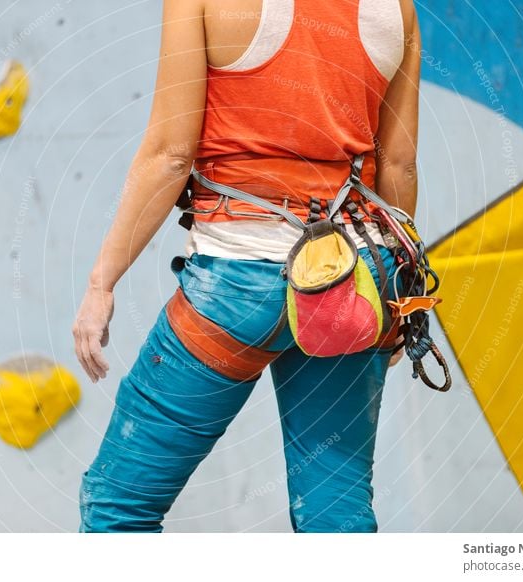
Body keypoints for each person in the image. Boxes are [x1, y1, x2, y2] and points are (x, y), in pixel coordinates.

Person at [73, 0, 421, 532]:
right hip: (352, 281)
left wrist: (102, 282)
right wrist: (398, 297)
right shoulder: (398, 10)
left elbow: (170, 154)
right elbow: (398, 164)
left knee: (118, 506)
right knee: (337, 510)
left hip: (238, 286)